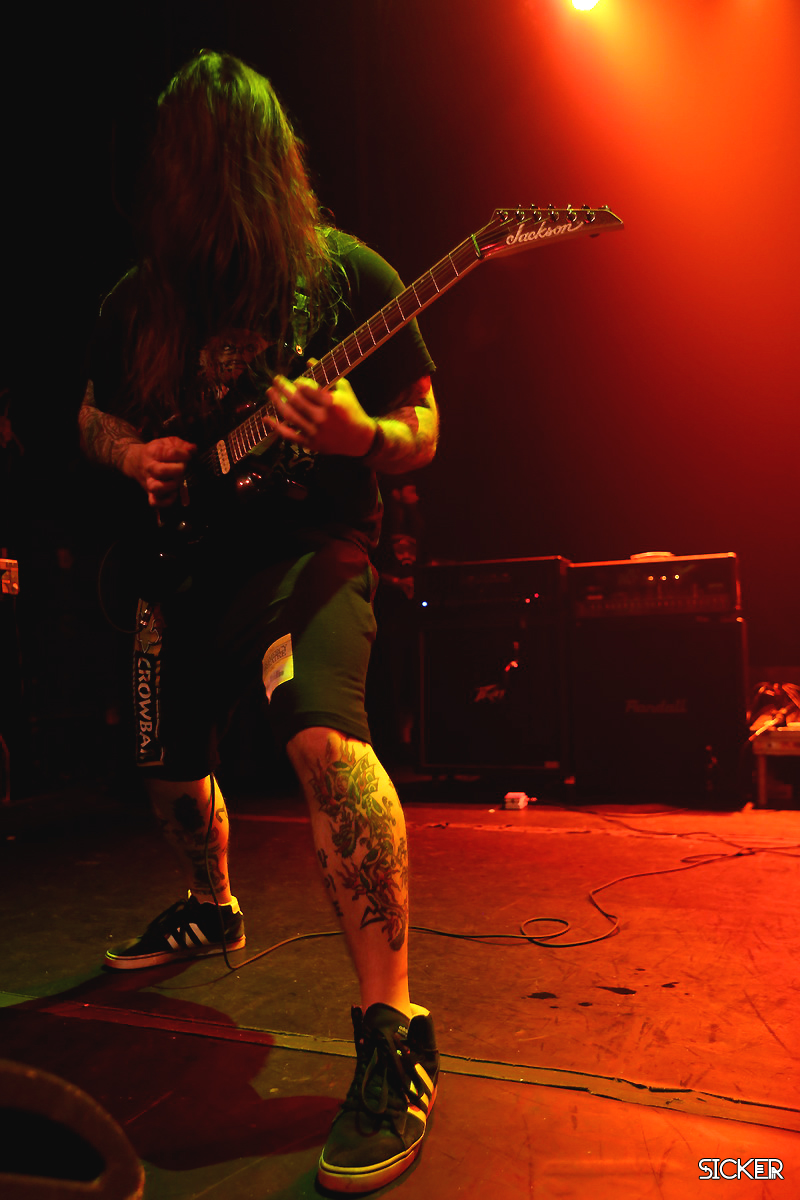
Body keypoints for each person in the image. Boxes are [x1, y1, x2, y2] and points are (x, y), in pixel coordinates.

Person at [79, 50, 439, 1193]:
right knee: (169, 777)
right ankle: (210, 904)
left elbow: (423, 425)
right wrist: (132, 455)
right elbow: (90, 414)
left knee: (323, 740)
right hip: (181, 572)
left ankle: (391, 1031)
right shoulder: (139, 300)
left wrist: (357, 436)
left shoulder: (342, 275)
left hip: (302, 557)